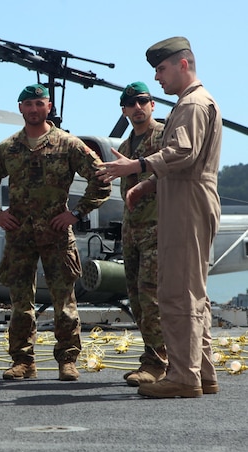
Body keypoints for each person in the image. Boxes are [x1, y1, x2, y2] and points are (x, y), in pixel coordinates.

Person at [98, 37, 222, 398]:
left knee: (177, 293)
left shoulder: (192, 105)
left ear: (183, 64)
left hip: (186, 201)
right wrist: (146, 186)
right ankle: (203, 372)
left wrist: (136, 166)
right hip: (182, 195)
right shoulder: (192, 102)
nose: (157, 77)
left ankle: (184, 377)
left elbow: (183, 152)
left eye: (162, 69)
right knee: (192, 293)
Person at [0, 84, 110, 382]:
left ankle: (67, 361)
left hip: (57, 234)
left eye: (39, 103)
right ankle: (23, 362)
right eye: (28, 104)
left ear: (48, 107)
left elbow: (101, 179)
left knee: (65, 303)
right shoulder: (7, 148)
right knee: (20, 303)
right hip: (19, 236)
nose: (34, 109)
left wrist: (76, 213)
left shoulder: (68, 144)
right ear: (20, 108)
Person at [116, 82, 167, 386]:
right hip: (132, 232)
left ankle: (158, 363)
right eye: (130, 103)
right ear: (123, 110)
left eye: (142, 101)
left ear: (152, 105)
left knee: (152, 296)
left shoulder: (164, 138)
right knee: (136, 297)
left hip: (158, 228)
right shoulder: (123, 148)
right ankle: (154, 355)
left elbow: (176, 172)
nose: (137, 107)